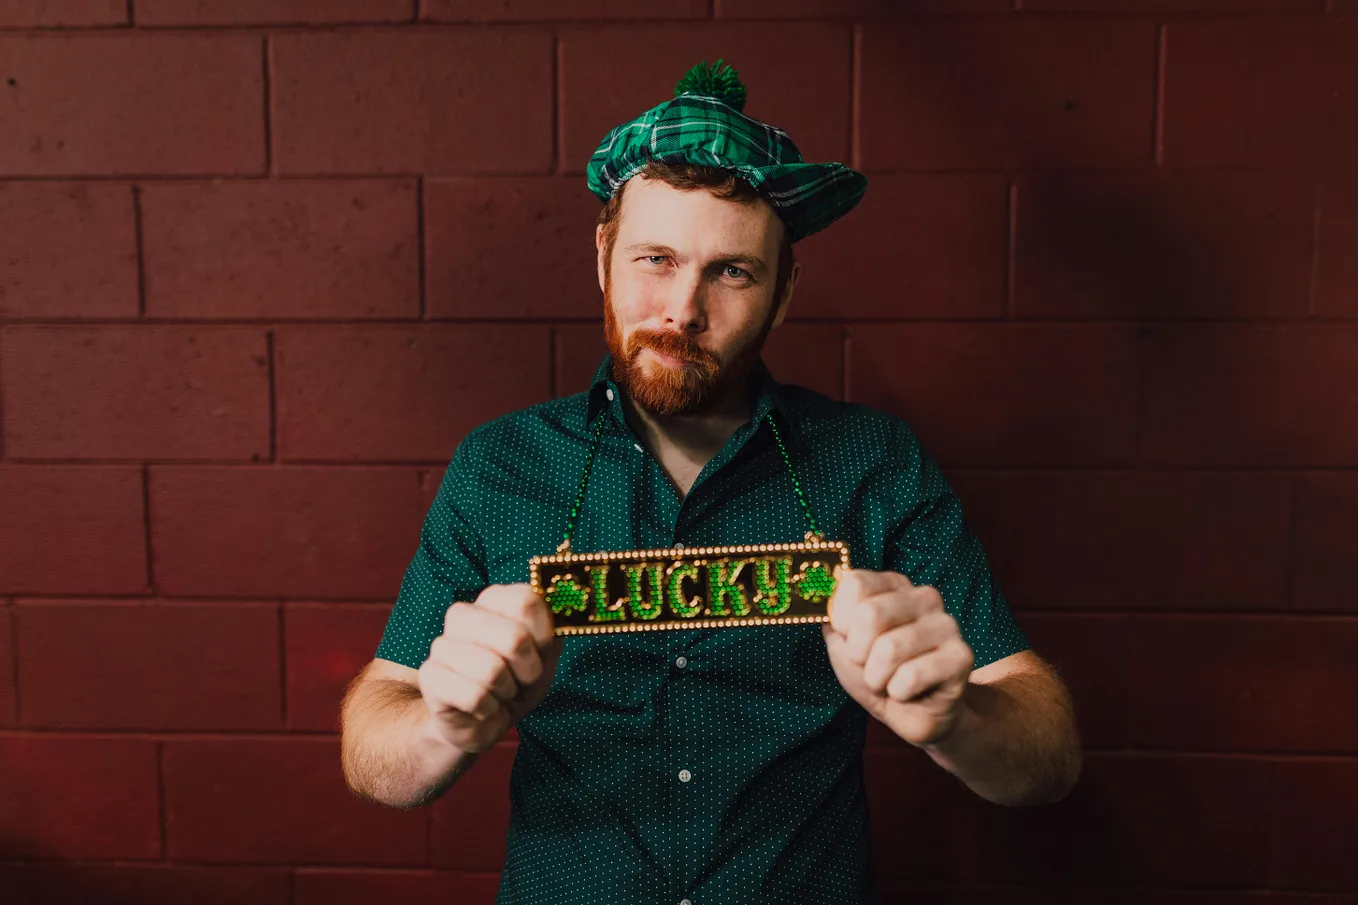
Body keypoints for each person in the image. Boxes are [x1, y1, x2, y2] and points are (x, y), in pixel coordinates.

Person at [340, 60, 1081, 905]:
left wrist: (959, 721)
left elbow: (1045, 756)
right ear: (603, 256)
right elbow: (376, 746)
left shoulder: (871, 461)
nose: (682, 310)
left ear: (784, 290)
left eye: (731, 272)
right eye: (655, 258)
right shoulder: (501, 464)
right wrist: (442, 723)